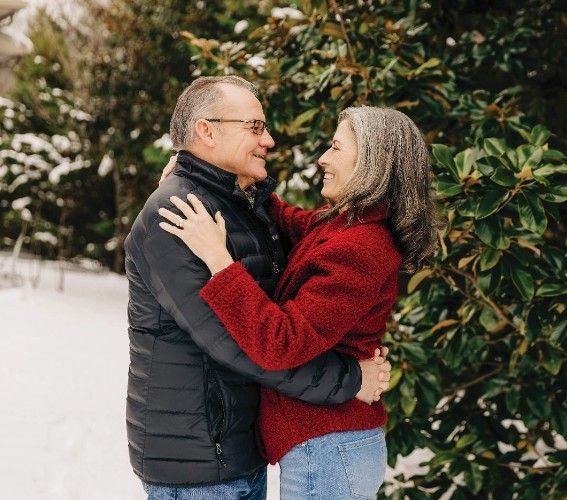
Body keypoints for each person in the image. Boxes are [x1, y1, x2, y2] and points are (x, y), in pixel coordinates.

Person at [124, 76, 391, 500]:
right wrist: (349, 379)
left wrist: (229, 182)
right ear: (206, 131)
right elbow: (240, 343)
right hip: (198, 464)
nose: (269, 139)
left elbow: (300, 251)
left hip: (237, 451)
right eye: (254, 127)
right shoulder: (178, 216)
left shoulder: (239, 207)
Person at [158, 106, 439, 499]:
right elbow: (289, 221)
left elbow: (280, 344)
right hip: (329, 444)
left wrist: (218, 260)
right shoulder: (346, 224)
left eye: (337, 148)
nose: (323, 158)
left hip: (329, 449)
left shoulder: (361, 247)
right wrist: (213, 175)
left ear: (372, 164)